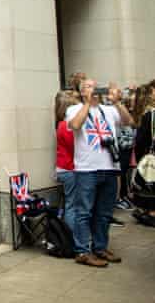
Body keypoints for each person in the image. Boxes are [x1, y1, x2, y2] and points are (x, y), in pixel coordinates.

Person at [66, 78, 133, 266]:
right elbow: (75, 126)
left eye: (95, 86)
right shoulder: (74, 109)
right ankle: (82, 251)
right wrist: (87, 103)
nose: (93, 89)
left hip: (110, 167)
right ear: (81, 92)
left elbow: (129, 122)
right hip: (87, 169)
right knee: (84, 212)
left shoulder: (109, 110)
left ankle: (100, 247)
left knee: (104, 213)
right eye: (88, 86)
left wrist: (117, 102)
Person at [55, 90, 81, 237]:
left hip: (66, 168)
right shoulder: (66, 126)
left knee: (71, 204)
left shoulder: (61, 124)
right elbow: (75, 148)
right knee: (72, 205)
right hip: (69, 169)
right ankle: (72, 236)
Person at [132, 81, 155, 226]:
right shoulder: (150, 115)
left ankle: (147, 212)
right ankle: (150, 213)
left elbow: (140, 140)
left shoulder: (149, 115)